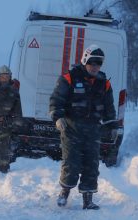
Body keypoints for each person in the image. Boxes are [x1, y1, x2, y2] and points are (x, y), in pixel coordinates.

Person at [49, 44, 118, 209]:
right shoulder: (69, 78)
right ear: (85, 60)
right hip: (71, 128)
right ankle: (64, 192)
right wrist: (58, 118)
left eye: (98, 63)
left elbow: (109, 107)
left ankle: (88, 200)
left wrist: (113, 125)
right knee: (71, 163)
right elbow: (56, 100)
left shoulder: (104, 83)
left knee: (91, 165)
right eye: (92, 62)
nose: (95, 66)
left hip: (93, 130)